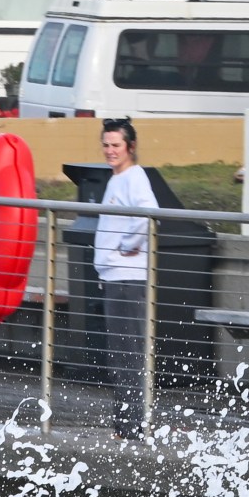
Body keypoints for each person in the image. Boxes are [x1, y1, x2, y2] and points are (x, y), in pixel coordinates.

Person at [92, 116, 159, 436]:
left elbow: (148, 214)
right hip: (113, 276)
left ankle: (130, 425)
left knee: (127, 353)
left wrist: (126, 246)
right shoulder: (115, 179)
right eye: (105, 145)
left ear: (130, 147)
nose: (110, 150)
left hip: (127, 278)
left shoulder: (135, 177)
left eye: (115, 145)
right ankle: (124, 422)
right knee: (119, 352)